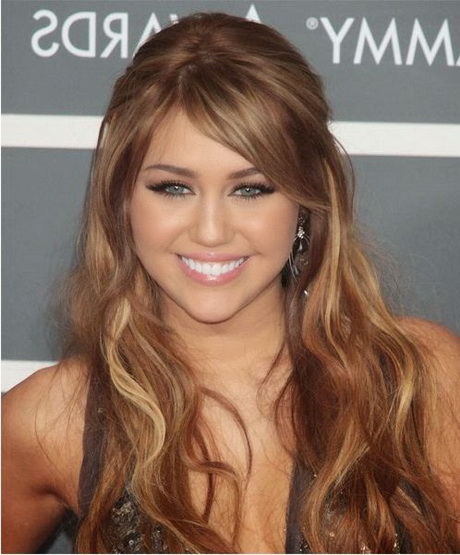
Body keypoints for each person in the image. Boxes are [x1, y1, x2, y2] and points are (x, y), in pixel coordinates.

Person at [2, 12, 460, 554]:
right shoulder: (50, 421)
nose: (211, 231)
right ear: (121, 198)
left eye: (251, 189)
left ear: (307, 200)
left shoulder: (417, 382)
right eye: (173, 188)